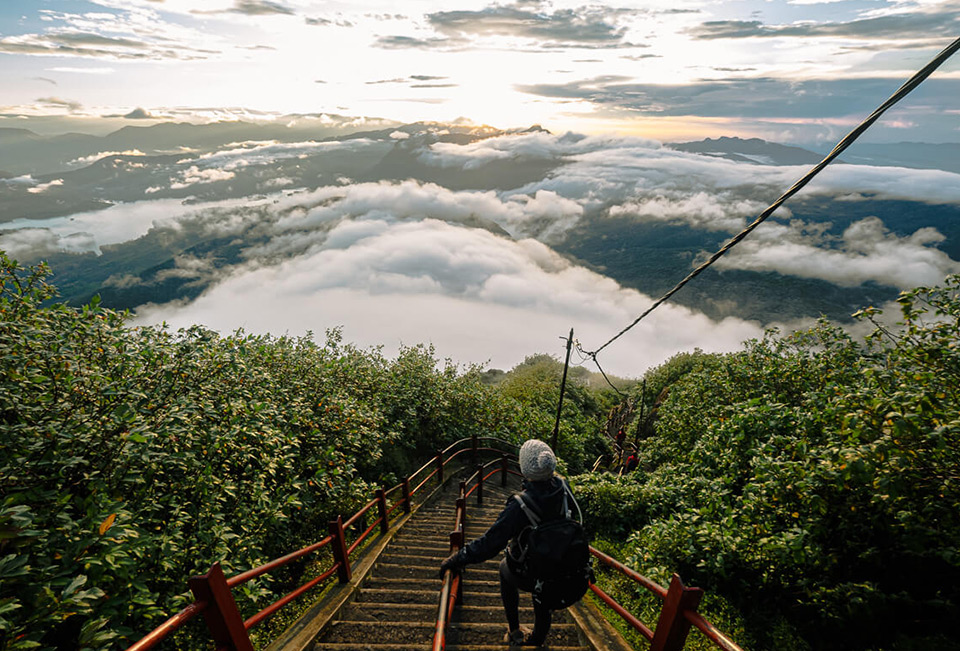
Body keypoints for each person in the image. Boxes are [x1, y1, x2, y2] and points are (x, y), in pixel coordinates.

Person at [439, 439, 576, 647]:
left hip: (533, 571)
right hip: (562, 567)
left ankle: (514, 630)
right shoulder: (564, 490)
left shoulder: (520, 504)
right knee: (544, 592)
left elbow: (491, 543)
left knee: (505, 568)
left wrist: (458, 558)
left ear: (525, 468)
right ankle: (537, 640)